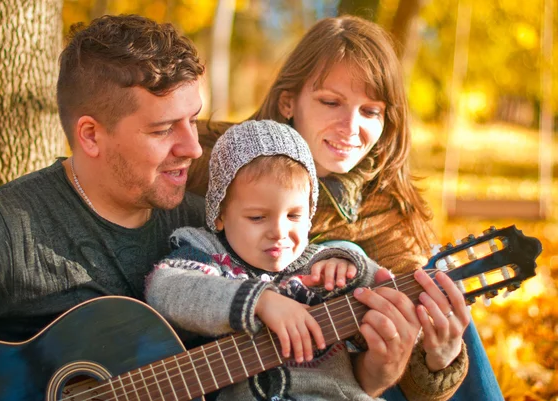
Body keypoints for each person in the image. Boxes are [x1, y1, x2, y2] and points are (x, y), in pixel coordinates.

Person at [187, 15, 483, 400]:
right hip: (214, 367)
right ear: (288, 100)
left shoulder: (388, 214)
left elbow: (412, 385)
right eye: (331, 102)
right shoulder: (215, 160)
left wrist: (441, 360)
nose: (351, 126)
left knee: (439, 293)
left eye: (371, 111)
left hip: (329, 381)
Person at [145, 119, 463, 401]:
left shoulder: (325, 267)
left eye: (295, 215)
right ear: (220, 216)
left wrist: (353, 265)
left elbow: (387, 297)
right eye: (257, 217)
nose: (279, 232)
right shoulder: (206, 254)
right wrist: (259, 301)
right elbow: (166, 288)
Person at [0, 15, 207, 342]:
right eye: (163, 130)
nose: (194, 148)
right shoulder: (0, 230)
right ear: (90, 136)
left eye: (194, 120)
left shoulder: (204, 228)